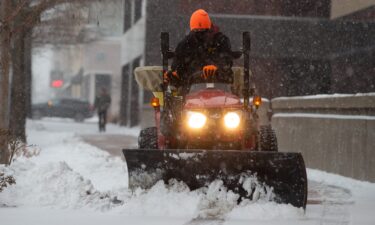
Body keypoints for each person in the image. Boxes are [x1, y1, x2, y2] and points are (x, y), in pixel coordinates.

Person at [164, 9, 235, 88]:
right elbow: (178, 68)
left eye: (203, 31)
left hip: (220, 87)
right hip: (191, 90)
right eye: (197, 31)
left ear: (209, 28)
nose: (200, 35)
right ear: (192, 30)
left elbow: (226, 60)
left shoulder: (221, 41)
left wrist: (217, 67)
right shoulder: (185, 44)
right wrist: (173, 76)